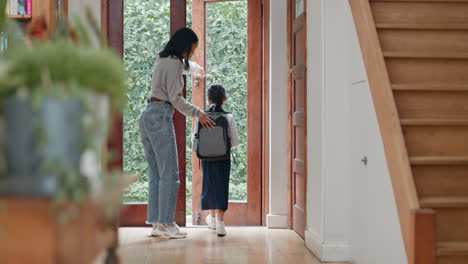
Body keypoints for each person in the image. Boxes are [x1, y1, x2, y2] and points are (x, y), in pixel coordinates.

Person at [139, 27, 215, 239]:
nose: (191, 53)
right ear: (185, 46)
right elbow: (176, 98)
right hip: (161, 116)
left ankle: (156, 223)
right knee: (170, 174)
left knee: (156, 174)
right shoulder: (174, 63)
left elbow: (183, 68)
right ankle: (167, 223)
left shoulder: (162, 59)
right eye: (192, 49)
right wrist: (199, 113)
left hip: (147, 116)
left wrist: (197, 69)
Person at [192, 84, 239, 237]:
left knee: (210, 185)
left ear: (208, 98)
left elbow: (194, 142)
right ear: (224, 99)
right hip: (223, 158)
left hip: (206, 158)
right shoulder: (228, 117)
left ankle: (212, 219)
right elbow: (235, 142)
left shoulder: (201, 116)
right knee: (221, 186)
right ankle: (219, 223)